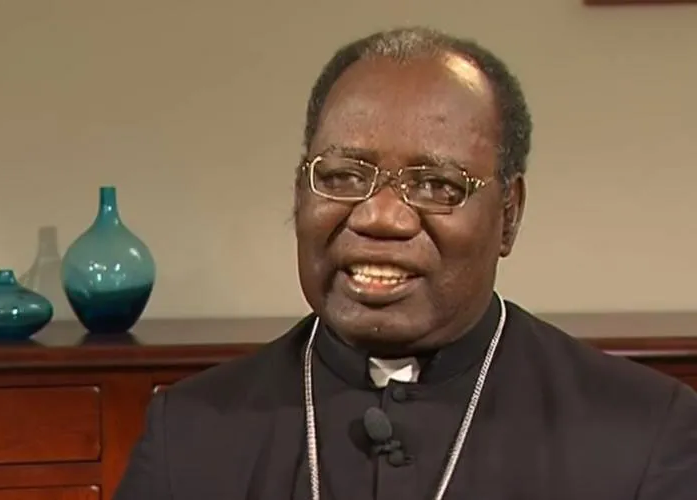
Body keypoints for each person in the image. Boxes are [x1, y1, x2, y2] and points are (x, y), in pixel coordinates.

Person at [113, 26, 697, 499]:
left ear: (509, 215)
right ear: (299, 192)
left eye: (438, 185)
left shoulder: (643, 434)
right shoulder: (187, 434)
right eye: (343, 176)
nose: (380, 217)